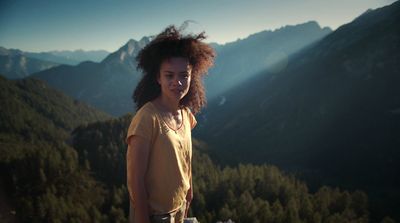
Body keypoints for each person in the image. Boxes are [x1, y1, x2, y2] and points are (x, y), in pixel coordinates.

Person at [125, 25, 215, 223]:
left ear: (193, 76)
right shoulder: (147, 119)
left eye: (184, 75)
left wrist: (189, 190)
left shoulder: (186, 114)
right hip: (154, 216)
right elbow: (135, 180)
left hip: (179, 210)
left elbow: (186, 159)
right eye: (169, 75)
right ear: (158, 77)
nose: (178, 82)